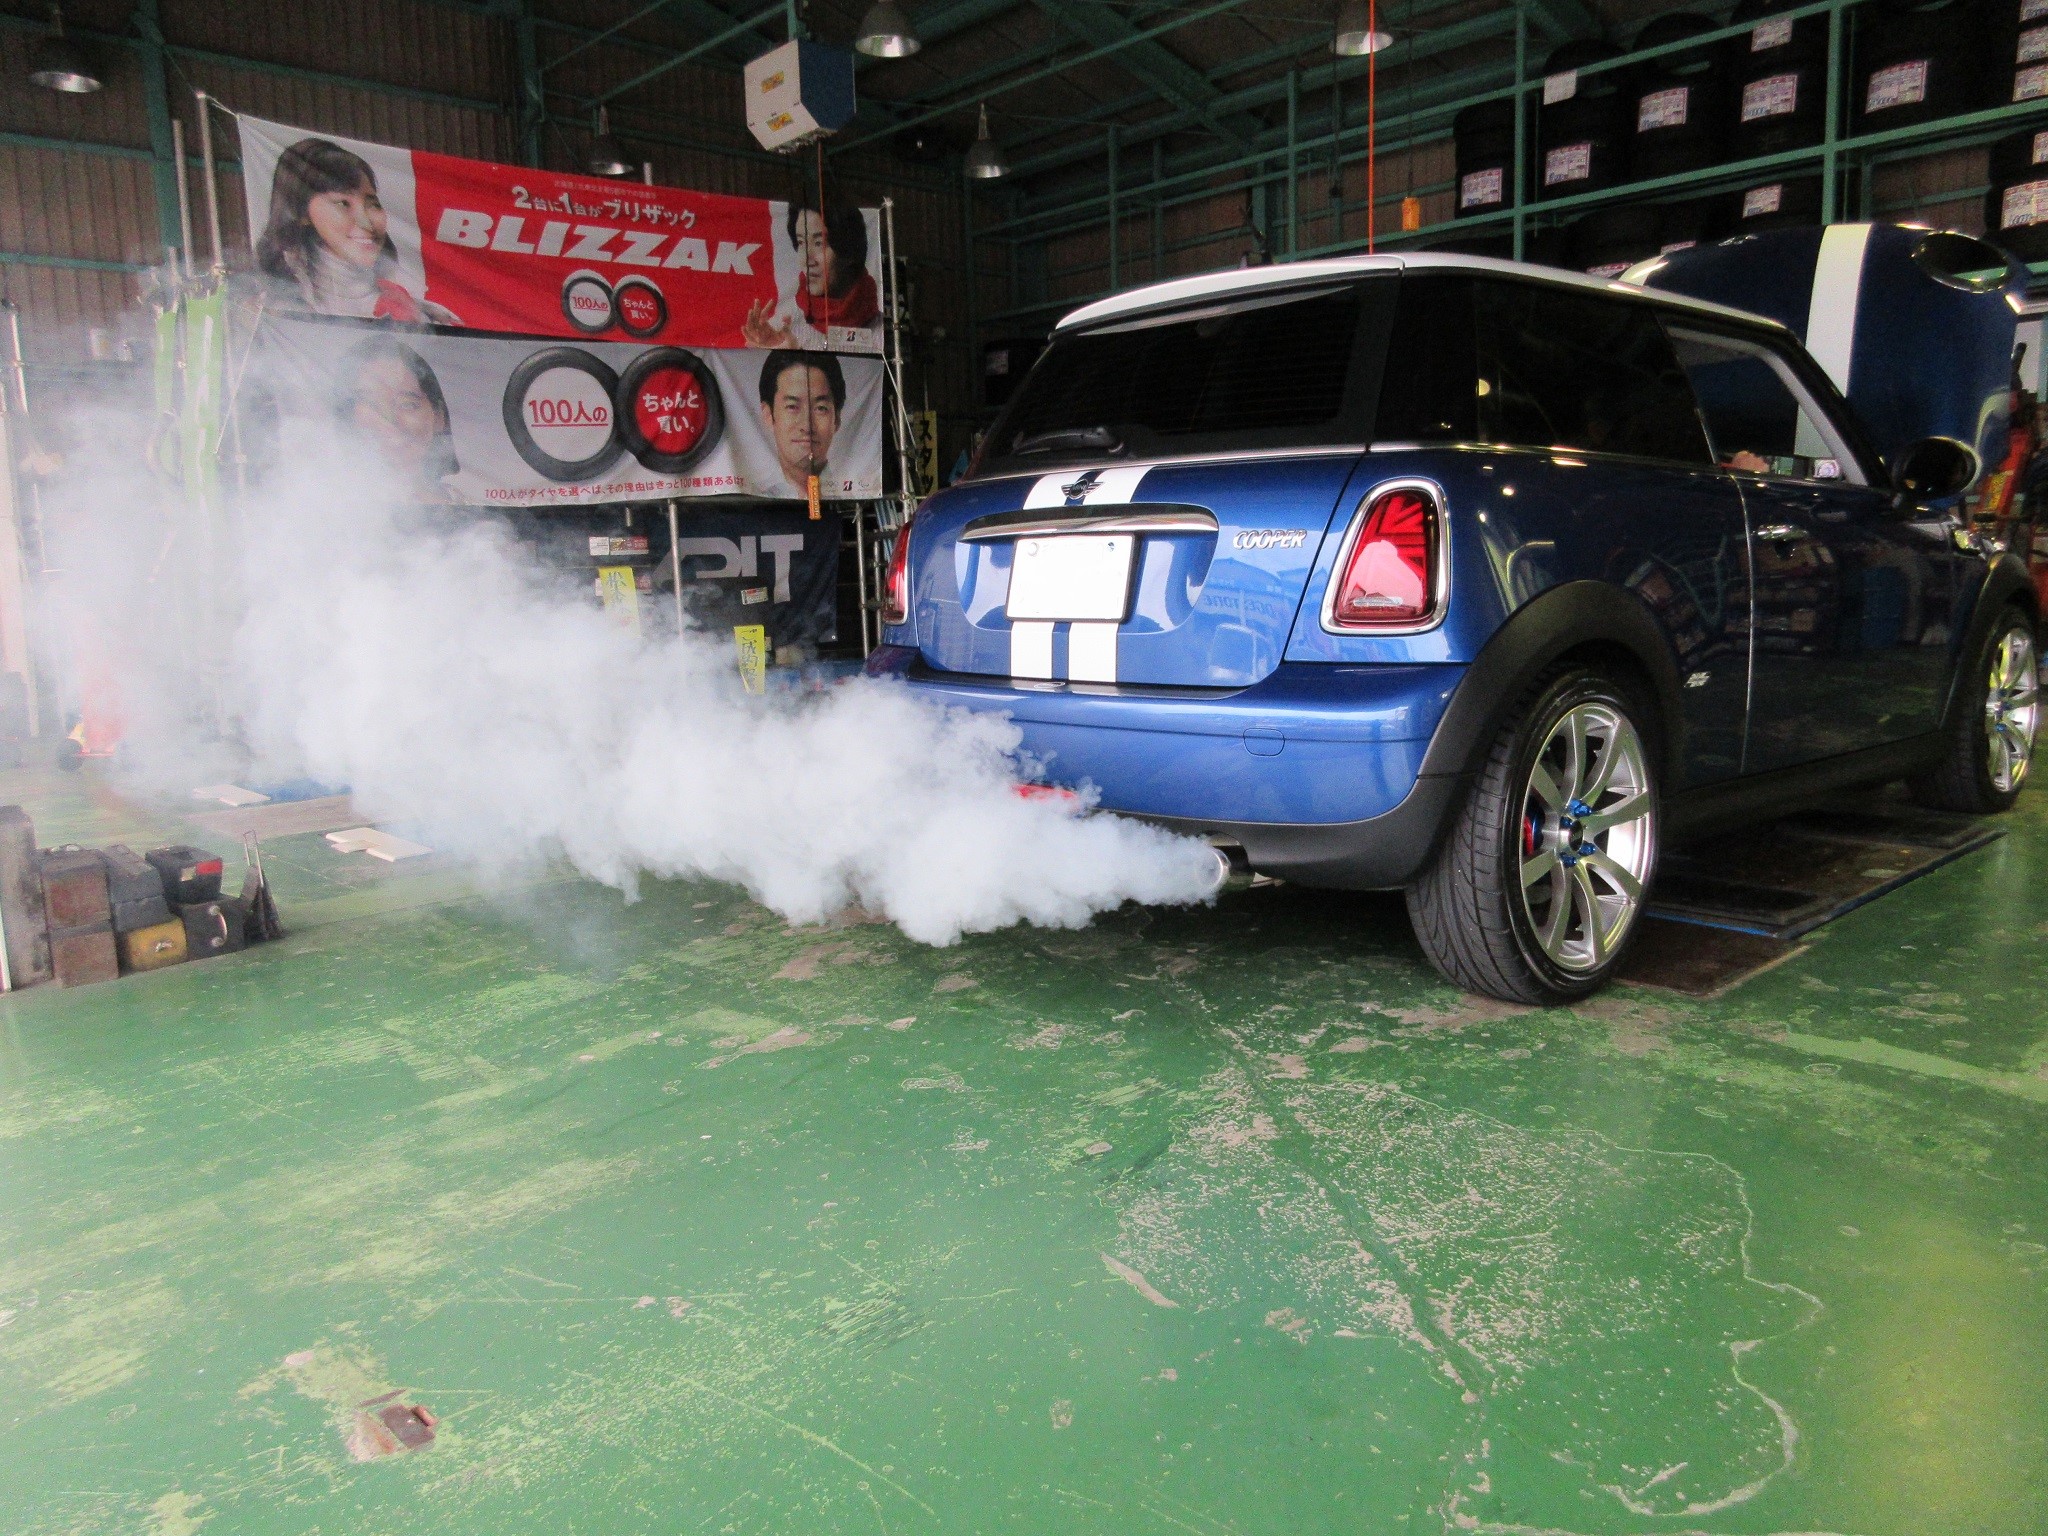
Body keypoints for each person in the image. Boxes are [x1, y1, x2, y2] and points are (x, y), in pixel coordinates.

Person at [255, 138, 457, 325]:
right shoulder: (273, 308)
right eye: (343, 203)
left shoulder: (422, 313)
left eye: (372, 204)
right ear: (300, 212)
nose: (366, 223)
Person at [336, 336, 462, 501]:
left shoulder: (475, 511)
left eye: (407, 404)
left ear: (439, 417)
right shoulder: (318, 505)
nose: (390, 423)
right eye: (372, 405)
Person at [742, 202, 878, 348]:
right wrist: (772, 350)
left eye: (819, 243)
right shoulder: (782, 323)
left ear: (849, 251)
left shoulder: (880, 329)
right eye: (801, 243)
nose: (807, 260)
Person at [757, 349, 843, 499]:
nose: (807, 426)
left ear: (836, 419)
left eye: (820, 408)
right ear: (768, 414)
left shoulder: (859, 494)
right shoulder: (753, 496)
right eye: (792, 407)